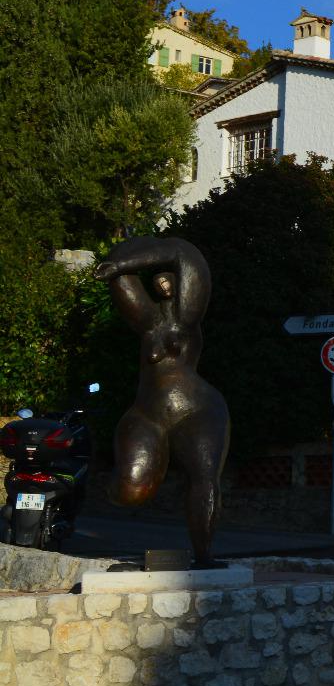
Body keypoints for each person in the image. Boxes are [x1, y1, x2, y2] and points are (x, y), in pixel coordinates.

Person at [93, 237, 230, 567]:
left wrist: (126, 265)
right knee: (130, 490)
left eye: (169, 280)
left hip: (196, 409)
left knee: (204, 477)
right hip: (149, 411)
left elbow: (184, 253)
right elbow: (117, 270)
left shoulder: (188, 320)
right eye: (157, 282)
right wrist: (121, 264)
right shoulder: (147, 323)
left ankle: (203, 556)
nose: (163, 284)